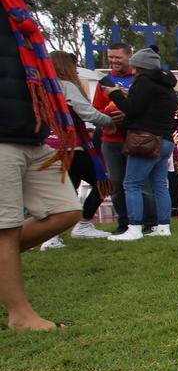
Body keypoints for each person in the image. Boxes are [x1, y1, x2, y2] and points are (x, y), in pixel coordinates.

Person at [0, 0, 82, 330]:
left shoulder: (23, 18)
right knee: (5, 225)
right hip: (1, 135)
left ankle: (6, 268)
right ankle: (20, 314)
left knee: (66, 210)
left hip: (34, 133)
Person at [102, 47, 178, 241]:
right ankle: (163, 226)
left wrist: (115, 94)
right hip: (165, 141)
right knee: (160, 184)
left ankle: (134, 227)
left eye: (135, 67)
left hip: (145, 140)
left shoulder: (144, 83)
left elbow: (132, 109)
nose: (133, 71)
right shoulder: (167, 87)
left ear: (141, 67)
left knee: (131, 183)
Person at [45, 50, 115, 243]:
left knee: (66, 189)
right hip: (70, 146)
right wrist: (110, 121)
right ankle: (82, 225)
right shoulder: (65, 86)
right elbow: (89, 114)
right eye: (73, 67)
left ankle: (51, 237)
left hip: (47, 147)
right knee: (104, 182)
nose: (76, 71)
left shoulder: (41, 88)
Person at [93, 41, 155, 233]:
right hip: (111, 140)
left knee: (141, 183)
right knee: (117, 184)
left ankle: (149, 222)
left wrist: (127, 114)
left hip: (136, 137)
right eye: (111, 57)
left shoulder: (140, 78)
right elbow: (94, 109)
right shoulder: (104, 82)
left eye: (118, 57)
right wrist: (107, 117)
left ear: (130, 56)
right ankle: (124, 222)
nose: (113, 61)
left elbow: (148, 108)